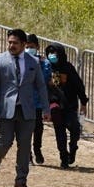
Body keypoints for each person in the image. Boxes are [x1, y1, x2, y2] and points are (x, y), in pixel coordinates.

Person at [0, 28, 50, 187]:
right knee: (3, 142)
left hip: (27, 111)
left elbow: (41, 86)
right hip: (5, 110)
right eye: (9, 42)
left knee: (25, 146)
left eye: (15, 43)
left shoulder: (33, 62)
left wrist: (46, 108)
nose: (11, 45)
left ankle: (20, 181)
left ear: (23, 44)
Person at [46, 43, 89, 168]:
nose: (52, 56)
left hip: (70, 105)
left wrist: (83, 102)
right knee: (60, 133)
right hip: (55, 105)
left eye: (54, 53)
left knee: (74, 129)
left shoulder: (68, 68)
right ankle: (64, 158)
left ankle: (73, 148)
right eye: (50, 53)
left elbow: (78, 85)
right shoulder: (47, 68)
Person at [26, 33, 53, 164]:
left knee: (38, 128)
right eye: (26, 46)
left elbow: (46, 79)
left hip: (38, 102)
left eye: (31, 46)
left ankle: (37, 149)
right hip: (25, 100)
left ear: (37, 47)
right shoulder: (21, 60)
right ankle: (28, 154)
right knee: (26, 129)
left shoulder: (45, 63)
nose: (29, 49)